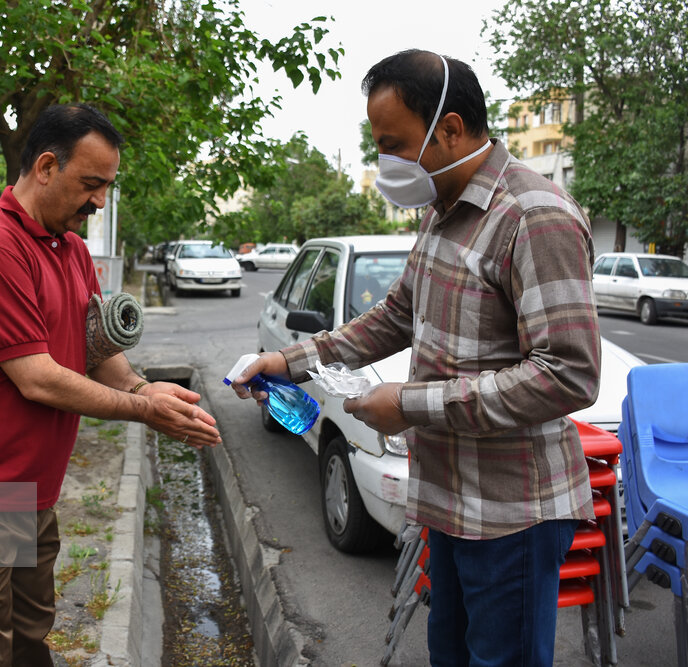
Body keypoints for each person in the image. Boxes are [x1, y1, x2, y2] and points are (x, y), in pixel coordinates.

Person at [232, 50, 600, 667]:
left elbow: (567, 374)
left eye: (394, 144)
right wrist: (291, 361)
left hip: (512, 514)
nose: (386, 163)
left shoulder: (534, 217)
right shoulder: (442, 211)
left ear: (450, 129)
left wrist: (409, 404)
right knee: (448, 655)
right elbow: (398, 315)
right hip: (448, 499)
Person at [0, 103, 221, 666]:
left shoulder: (70, 249)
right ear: (46, 166)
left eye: (106, 187)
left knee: (29, 643)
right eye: (90, 184)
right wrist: (141, 412)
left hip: (31, 494)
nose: (99, 201)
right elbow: (39, 379)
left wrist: (145, 390)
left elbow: (95, 351)